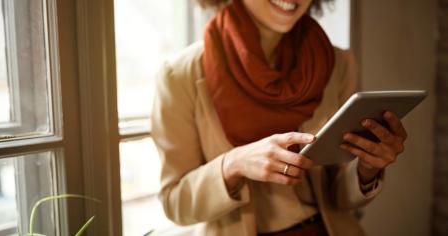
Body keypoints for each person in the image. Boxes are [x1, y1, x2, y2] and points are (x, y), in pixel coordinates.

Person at [151, 0, 408, 235]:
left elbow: (339, 194)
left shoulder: (338, 64)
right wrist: (233, 163)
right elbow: (176, 204)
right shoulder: (179, 75)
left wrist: (367, 168)